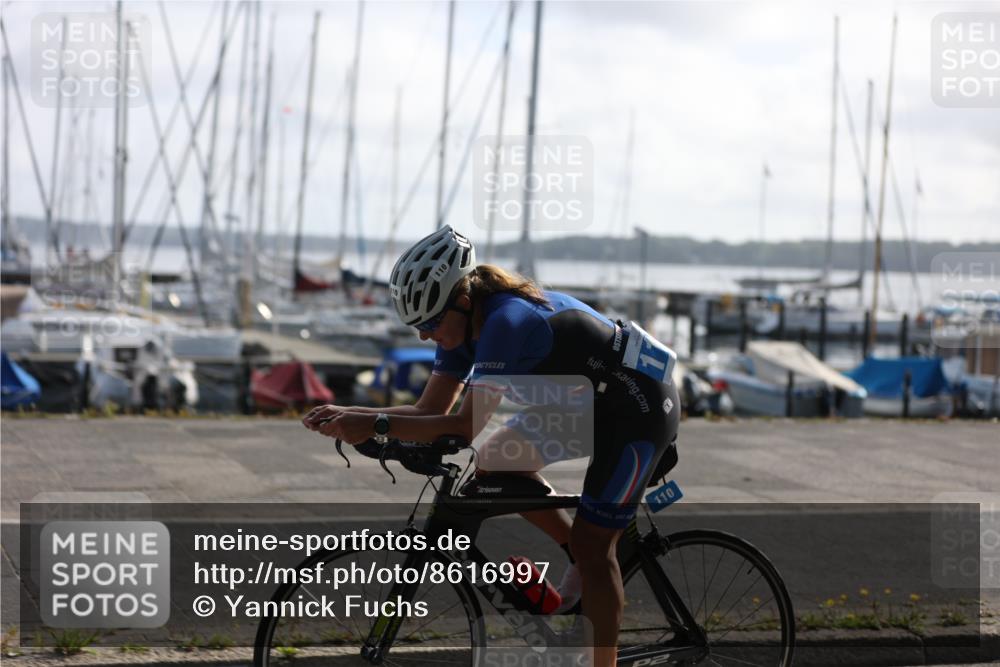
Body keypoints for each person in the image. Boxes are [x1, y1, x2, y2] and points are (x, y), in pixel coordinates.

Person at [304, 226, 680, 667]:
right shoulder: (460, 329)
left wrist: (374, 424)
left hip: (638, 406)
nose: (425, 336)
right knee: (497, 460)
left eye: (429, 323)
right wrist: (355, 414)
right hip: (586, 404)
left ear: (462, 300)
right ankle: (576, 557)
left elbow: (463, 427)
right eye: (417, 327)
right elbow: (430, 410)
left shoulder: (506, 321)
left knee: (597, 547)